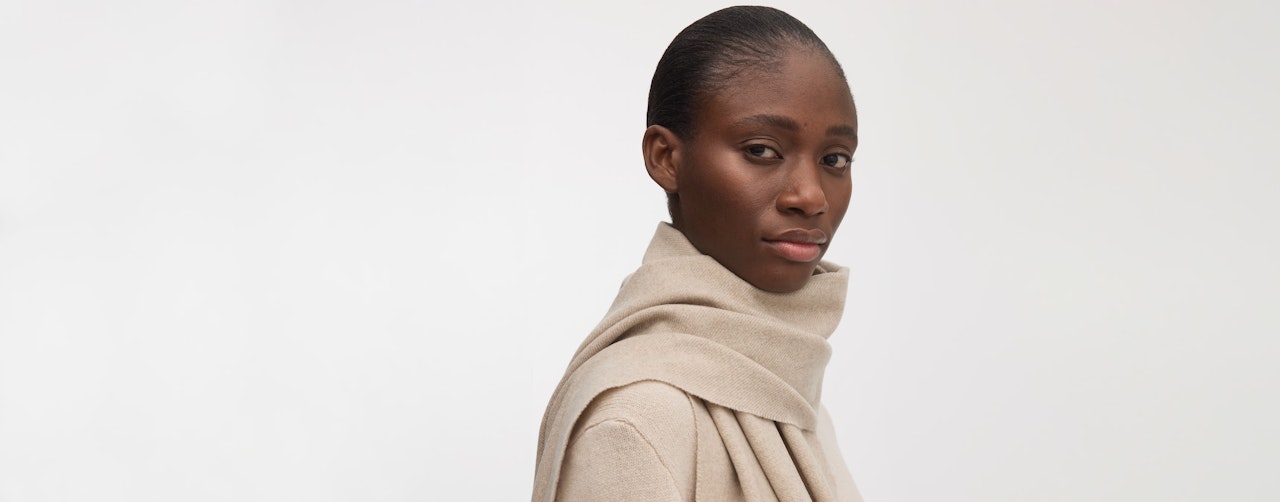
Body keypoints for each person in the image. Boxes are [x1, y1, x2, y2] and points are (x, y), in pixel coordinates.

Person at [533, 6, 861, 501]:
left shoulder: (787, 394)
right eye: (761, 150)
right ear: (667, 158)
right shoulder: (640, 419)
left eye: (834, 159)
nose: (811, 196)